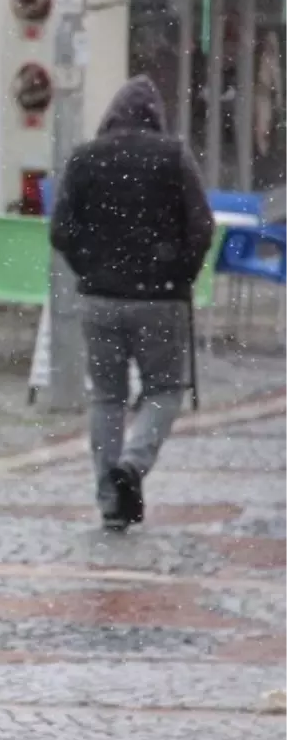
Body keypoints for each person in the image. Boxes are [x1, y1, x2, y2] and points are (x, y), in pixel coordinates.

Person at [51, 75, 215, 531]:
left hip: (99, 299)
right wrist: (178, 272)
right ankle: (132, 465)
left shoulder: (84, 158)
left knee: (106, 396)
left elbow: (60, 231)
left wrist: (90, 268)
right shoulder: (173, 157)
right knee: (164, 389)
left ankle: (110, 500)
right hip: (160, 299)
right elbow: (201, 228)